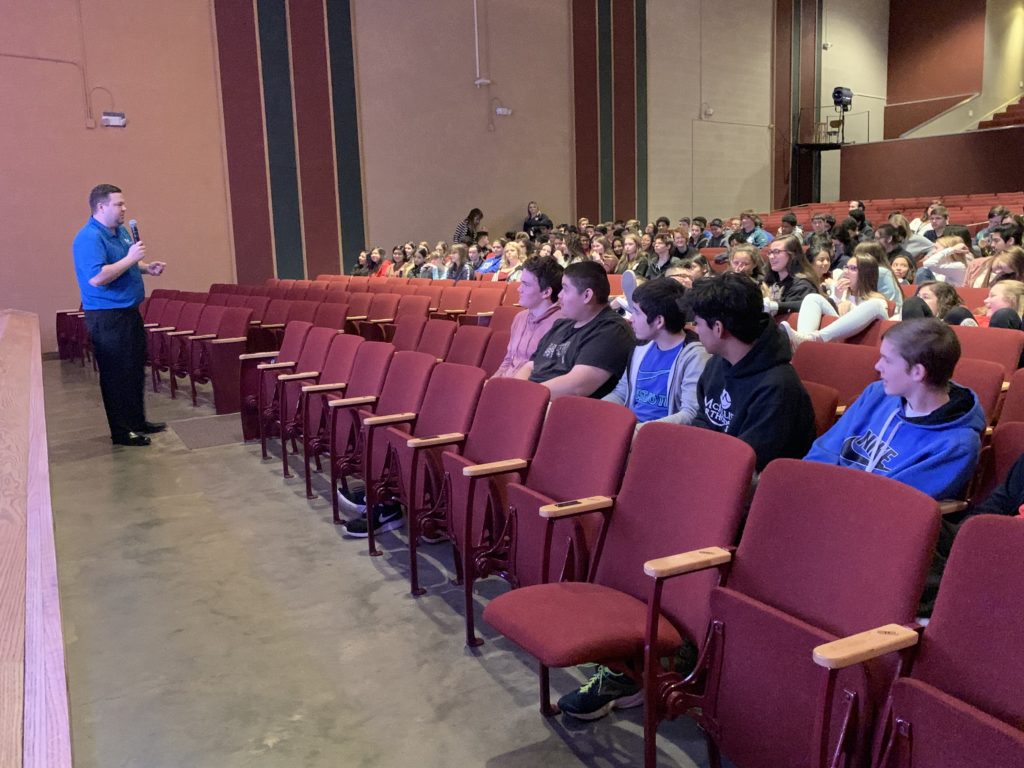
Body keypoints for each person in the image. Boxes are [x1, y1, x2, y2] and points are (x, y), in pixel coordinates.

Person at [805, 318, 984, 500]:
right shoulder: (876, 393)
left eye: (887, 360)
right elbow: (824, 450)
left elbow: (892, 501)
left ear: (917, 372)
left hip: (864, 518)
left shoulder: (956, 444)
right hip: (822, 497)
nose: (877, 366)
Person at [687, 272, 816, 471]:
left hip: (751, 486)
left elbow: (746, 463)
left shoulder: (778, 388)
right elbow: (703, 419)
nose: (696, 330)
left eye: (698, 323)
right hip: (713, 467)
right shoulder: (718, 363)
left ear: (718, 328)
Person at [72, 184, 168, 446]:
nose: (124, 208)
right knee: (116, 374)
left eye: (124, 204)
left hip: (129, 312)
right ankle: (121, 431)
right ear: (101, 207)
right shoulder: (89, 238)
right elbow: (97, 277)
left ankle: (137, 421)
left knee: (135, 369)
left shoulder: (120, 232)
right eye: (119, 204)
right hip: (107, 317)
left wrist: (147, 268)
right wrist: (130, 259)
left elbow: (128, 263)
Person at [518, 261, 635, 399]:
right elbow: (530, 366)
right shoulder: (561, 324)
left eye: (565, 289)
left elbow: (577, 386)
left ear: (587, 295)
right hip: (532, 399)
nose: (559, 295)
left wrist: (526, 396)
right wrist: (515, 391)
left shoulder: (612, 330)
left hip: (560, 408)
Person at [603, 278, 709, 430]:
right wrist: (595, 410)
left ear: (659, 321)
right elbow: (621, 394)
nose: (631, 319)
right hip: (630, 430)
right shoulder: (640, 348)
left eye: (637, 313)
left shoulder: (695, 355)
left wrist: (638, 431)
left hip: (661, 437)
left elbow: (690, 413)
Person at [781, 248, 891, 347]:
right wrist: (837, 297)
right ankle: (803, 342)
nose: (846, 271)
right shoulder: (842, 293)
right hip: (839, 338)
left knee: (875, 305)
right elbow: (836, 316)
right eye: (846, 267)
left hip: (856, 341)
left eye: (853, 268)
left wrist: (850, 307)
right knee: (812, 298)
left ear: (865, 274)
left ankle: (816, 338)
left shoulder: (878, 300)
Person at [493, 256, 565, 378]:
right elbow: (508, 361)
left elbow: (546, 374)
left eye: (526, 284)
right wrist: (491, 383)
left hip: (527, 391)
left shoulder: (561, 324)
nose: (519, 289)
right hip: (505, 386)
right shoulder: (520, 317)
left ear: (546, 292)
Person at [763, 235, 819, 315]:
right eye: (770, 252)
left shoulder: (802, 286)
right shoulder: (770, 280)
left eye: (776, 252)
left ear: (793, 255)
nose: (771, 257)